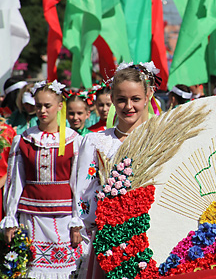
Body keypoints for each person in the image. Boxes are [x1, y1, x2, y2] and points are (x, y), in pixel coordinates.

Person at [74, 62, 159, 278]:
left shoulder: (160, 140)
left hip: (154, 235)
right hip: (110, 240)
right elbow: (83, 191)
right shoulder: (96, 142)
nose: (128, 106)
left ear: (148, 96)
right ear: (112, 99)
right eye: (121, 99)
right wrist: (101, 218)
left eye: (135, 99)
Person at [1, 80, 84, 278]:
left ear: (60, 106)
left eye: (47, 106)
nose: (42, 110)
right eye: (38, 106)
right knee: (32, 269)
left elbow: (79, 185)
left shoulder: (74, 140)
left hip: (64, 219)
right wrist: (10, 217)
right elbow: (15, 182)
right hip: (31, 216)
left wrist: (77, 221)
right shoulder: (24, 139)